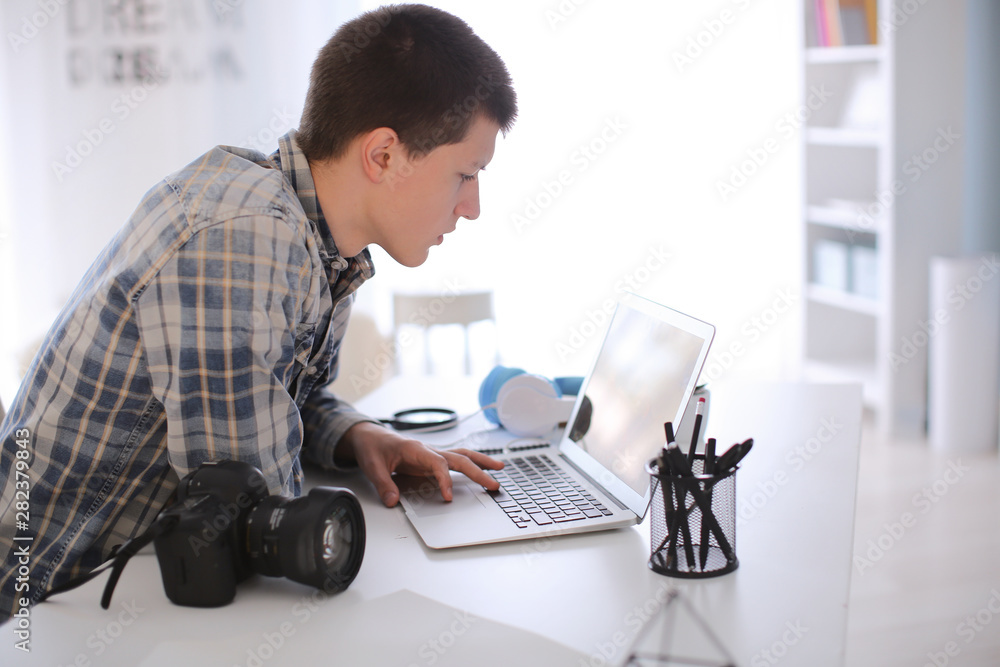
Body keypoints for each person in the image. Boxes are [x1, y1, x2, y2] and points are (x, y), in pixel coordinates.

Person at [0, 3, 516, 619]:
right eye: (466, 174)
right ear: (383, 155)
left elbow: (275, 397)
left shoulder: (317, 237)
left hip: (119, 587)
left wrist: (360, 436)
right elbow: (254, 509)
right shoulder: (242, 236)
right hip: (37, 602)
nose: (472, 207)